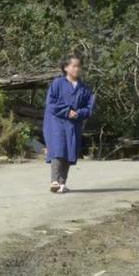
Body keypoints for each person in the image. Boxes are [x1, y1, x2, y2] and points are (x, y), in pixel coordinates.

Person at [43, 55, 94, 193]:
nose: (76, 69)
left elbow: (89, 108)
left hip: (73, 124)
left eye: (79, 66)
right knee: (58, 149)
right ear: (66, 68)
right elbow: (51, 103)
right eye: (73, 66)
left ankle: (62, 183)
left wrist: (79, 113)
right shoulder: (57, 84)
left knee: (69, 152)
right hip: (56, 122)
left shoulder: (85, 89)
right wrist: (67, 111)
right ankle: (54, 180)